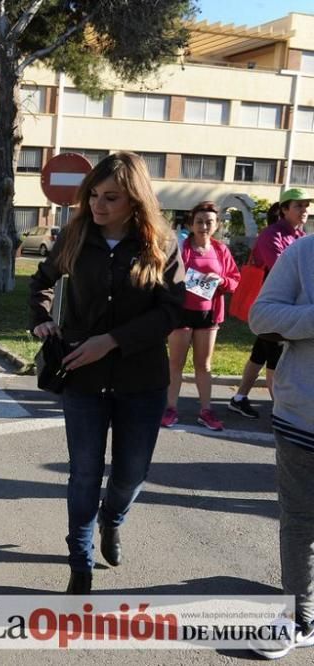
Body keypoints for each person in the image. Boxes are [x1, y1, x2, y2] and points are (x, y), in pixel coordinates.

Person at [29, 151, 185, 595]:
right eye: (93, 195)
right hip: (82, 377)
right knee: (84, 472)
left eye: (110, 197)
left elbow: (172, 311)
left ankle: (112, 519)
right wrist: (41, 318)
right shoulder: (75, 235)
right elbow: (40, 282)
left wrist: (113, 340)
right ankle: (80, 561)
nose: (98, 205)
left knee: (131, 473)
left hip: (142, 379)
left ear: (135, 200)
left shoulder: (162, 244)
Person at [249, 234, 314, 660]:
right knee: (300, 521)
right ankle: (301, 615)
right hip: (302, 415)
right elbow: (261, 316)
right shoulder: (305, 252)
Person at [229, 191, 309, 419]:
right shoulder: (271, 235)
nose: (304, 210)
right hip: (274, 309)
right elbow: (282, 270)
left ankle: (239, 397)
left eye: (306, 205)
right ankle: (281, 413)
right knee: (275, 358)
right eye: (298, 206)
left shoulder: (300, 236)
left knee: (260, 353)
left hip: (288, 306)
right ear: (284, 209)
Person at [162, 201, 240, 431]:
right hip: (181, 313)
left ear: (217, 225)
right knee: (175, 363)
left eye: (209, 222)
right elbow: (165, 275)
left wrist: (221, 280)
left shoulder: (221, 250)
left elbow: (235, 280)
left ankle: (206, 411)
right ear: (191, 224)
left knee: (204, 365)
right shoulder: (180, 248)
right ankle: (170, 408)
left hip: (208, 314)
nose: (204, 226)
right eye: (199, 222)